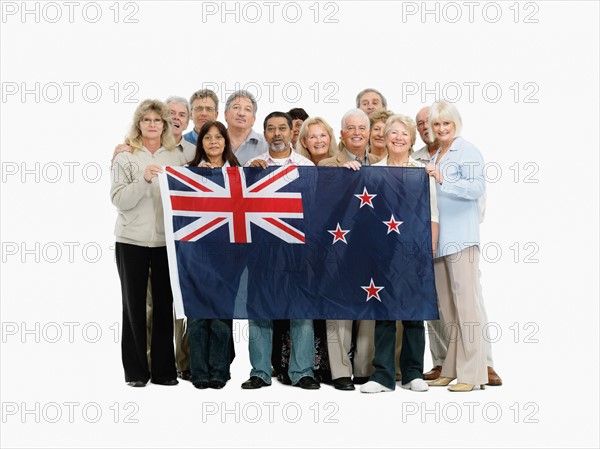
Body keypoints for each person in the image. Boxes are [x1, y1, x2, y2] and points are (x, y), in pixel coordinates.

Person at [415, 106, 502, 386]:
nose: (441, 128)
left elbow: (477, 188)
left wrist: (444, 179)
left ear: (456, 123)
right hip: (438, 241)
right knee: (447, 310)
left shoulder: (467, 150)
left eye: (446, 123)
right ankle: (450, 369)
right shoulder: (438, 153)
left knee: (466, 308)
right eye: (436, 124)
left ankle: (473, 374)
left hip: (462, 239)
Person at [111, 96, 194, 381]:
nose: (152, 124)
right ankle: (135, 372)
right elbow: (119, 199)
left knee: (163, 305)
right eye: (146, 119)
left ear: (164, 124)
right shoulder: (126, 155)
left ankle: (163, 371)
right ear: (139, 124)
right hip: (131, 240)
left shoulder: (178, 155)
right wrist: (142, 179)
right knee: (133, 306)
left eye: (157, 120)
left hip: (165, 242)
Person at [356, 114, 439, 393]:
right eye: (393, 133)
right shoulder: (373, 171)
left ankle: (414, 371)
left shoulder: (422, 171)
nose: (398, 137)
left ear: (411, 140)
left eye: (404, 134)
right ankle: (383, 375)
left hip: (415, 249)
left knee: (414, 312)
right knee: (385, 312)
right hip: (382, 251)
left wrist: (429, 251)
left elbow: (434, 215)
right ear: (385, 138)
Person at [241, 112, 320, 390]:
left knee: (301, 310)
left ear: (291, 133)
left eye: (282, 128)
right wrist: (252, 176)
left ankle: (302, 371)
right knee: (260, 309)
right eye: (271, 129)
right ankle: (260, 371)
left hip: (297, 250)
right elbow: (244, 212)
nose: (277, 133)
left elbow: (313, 210)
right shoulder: (253, 165)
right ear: (265, 133)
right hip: (262, 251)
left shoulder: (306, 165)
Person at [318, 109, 382, 390]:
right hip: (337, 246)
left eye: (362, 127)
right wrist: (339, 178)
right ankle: (340, 371)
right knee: (338, 307)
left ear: (369, 133)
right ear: (341, 133)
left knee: (369, 305)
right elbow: (319, 201)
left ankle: (364, 369)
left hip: (370, 246)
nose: (356, 132)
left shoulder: (383, 163)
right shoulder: (328, 165)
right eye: (350, 128)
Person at [186, 120, 239, 389]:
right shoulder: (188, 172)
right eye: (208, 138)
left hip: (228, 254)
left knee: (220, 315)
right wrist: (198, 178)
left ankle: (219, 370)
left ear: (226, 142)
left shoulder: (238, 172)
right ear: (201, 143)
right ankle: (198, 371)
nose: (214, 142)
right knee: (197, 314)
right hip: (195, 253)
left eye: (219, 137)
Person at [223, 90, 268, 165]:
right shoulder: (212, 142)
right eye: (236, 107)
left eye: (247, 109)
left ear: (253, 119)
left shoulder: (266, 145)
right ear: (225, 114)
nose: (241, 113)